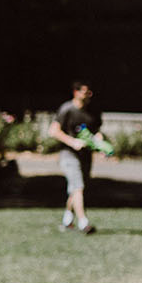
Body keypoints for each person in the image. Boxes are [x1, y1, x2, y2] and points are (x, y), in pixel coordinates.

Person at [47, 80, 105, 234]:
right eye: (85, 92)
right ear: (76, 92)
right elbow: (53, 131)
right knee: (78, 187)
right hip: (68, 154)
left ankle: (67, 219)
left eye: (90, 92)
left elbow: (96, 132)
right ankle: (83, 223)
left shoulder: (93, 111)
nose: (89, 95)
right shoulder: (67, 109)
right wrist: (72, 142)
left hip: (85, 156)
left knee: (77, 189)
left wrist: (101, 144)